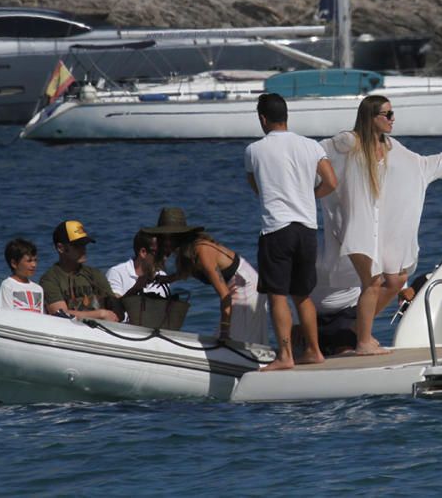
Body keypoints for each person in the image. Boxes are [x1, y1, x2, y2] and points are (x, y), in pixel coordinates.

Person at [320, 95, 442, 355]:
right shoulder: (348, 142)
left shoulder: (391, 147)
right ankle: (363, 341)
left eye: (392, 113)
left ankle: (356, 330)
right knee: (372, 281)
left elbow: (421, 166)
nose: (392, 119)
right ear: (371, 117)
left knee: (396, 279)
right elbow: (315, 155)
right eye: (387, 114)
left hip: (382, 229)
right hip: (359, 226)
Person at [245, 93, 337, 370]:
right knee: (303, 295)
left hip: (277, 229)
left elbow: (257, 187)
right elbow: (331, 182)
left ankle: (285, 356)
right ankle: (314, 351)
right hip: (307, 229)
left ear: (262, 118)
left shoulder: (254, 150)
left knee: (277, 295)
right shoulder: (310, 146)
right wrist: (309, 196)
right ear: (286, 116)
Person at [144, 207, 267, 344]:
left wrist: (225, 332)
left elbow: (225, 295)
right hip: (235, 285)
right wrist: (168, 279)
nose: (163, 243)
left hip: (245, 284)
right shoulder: (188, 252)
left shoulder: (202, 251)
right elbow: (189, 271)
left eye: (165, 238)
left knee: (235, 338)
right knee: (237, 336)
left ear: (177, 237)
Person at [39, 220, 120, 321]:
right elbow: (60, 314)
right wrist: (100, 314)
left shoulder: (94, 274)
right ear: (61, 248)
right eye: (77, 245)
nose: (83, 249)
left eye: (84, 244)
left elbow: (114, 307)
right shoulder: (50, 279)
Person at [105, 230, 168, 298]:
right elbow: (114, 305)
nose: (163, 258)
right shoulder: (117, 273)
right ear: (143, 252)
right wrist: (135, 289)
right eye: (158, 253)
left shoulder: (162, 276)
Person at [0, 238, 44, 313]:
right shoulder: (8, 285)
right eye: (29, 261)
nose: (34, 265)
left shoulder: (38, 289)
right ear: (14, 263)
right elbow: (4, 314)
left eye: (35, 260)